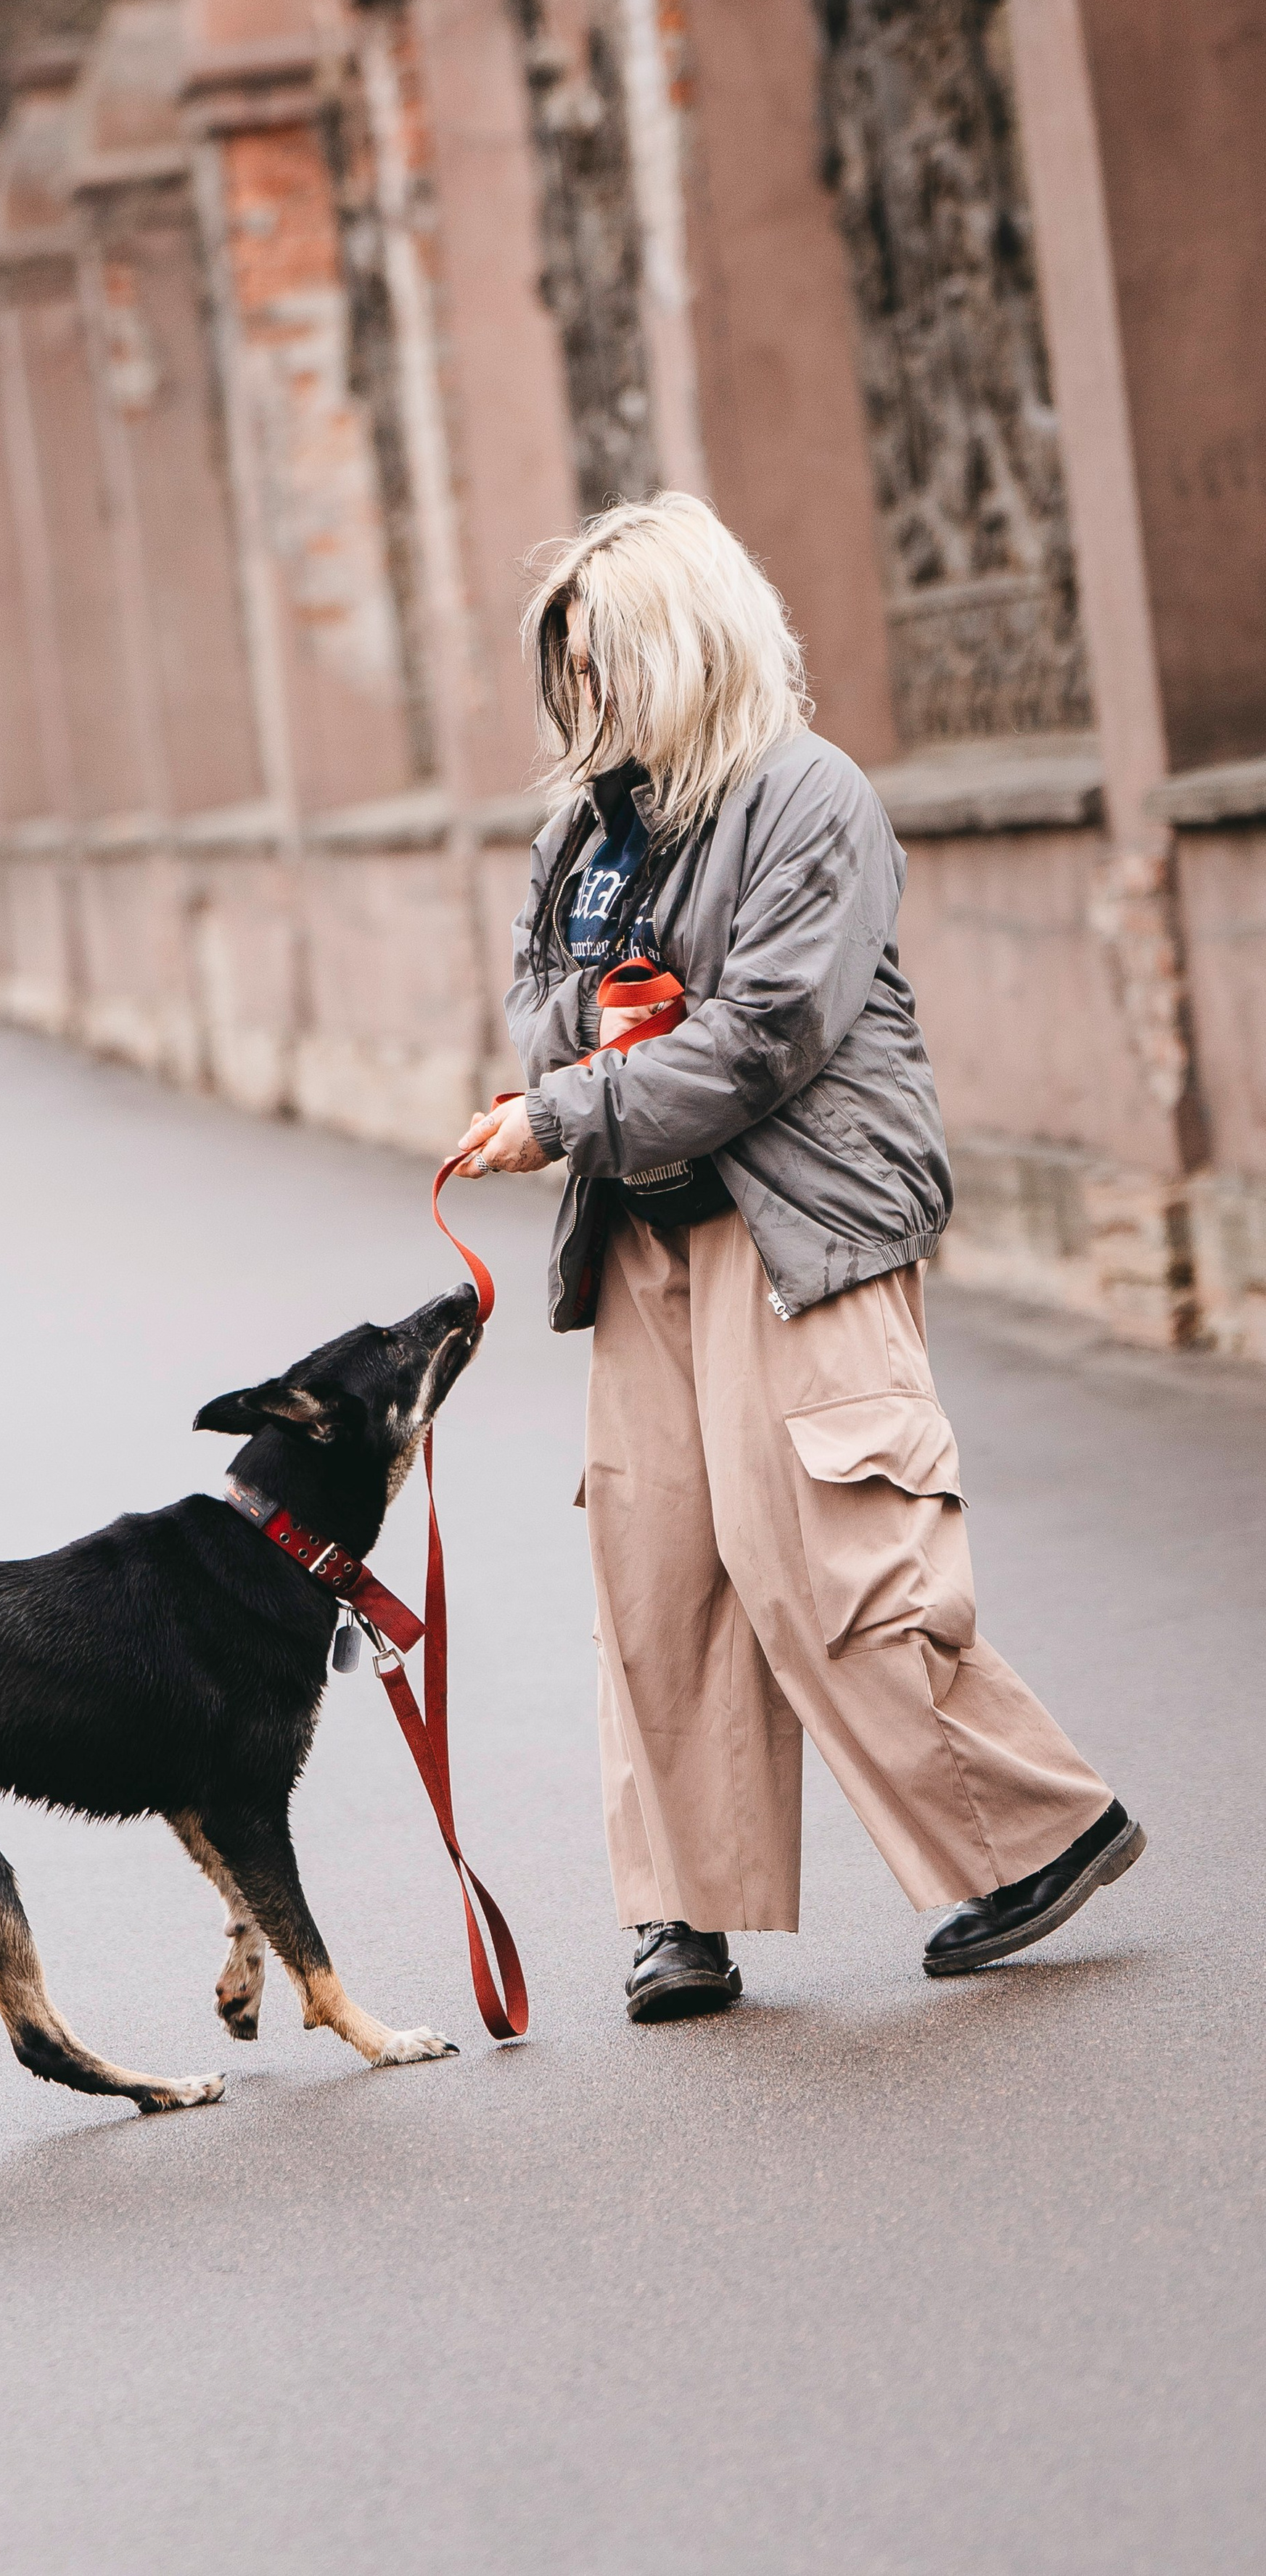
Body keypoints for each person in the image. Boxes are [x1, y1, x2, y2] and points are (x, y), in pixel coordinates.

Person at [454, 495, 1144, 2024]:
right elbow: (534, 990)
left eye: (606, 665)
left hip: (799, 1220)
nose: (585, 701)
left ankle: (1035, 1831)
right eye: (566, 672)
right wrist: (607, 1031)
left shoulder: (805, 798)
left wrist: (578, 1086)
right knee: (656, 1564)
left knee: (823, 1548)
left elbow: (764, 1035)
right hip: (643, 1224)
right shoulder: (585, 821)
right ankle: (678, 1911)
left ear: (684, 645)